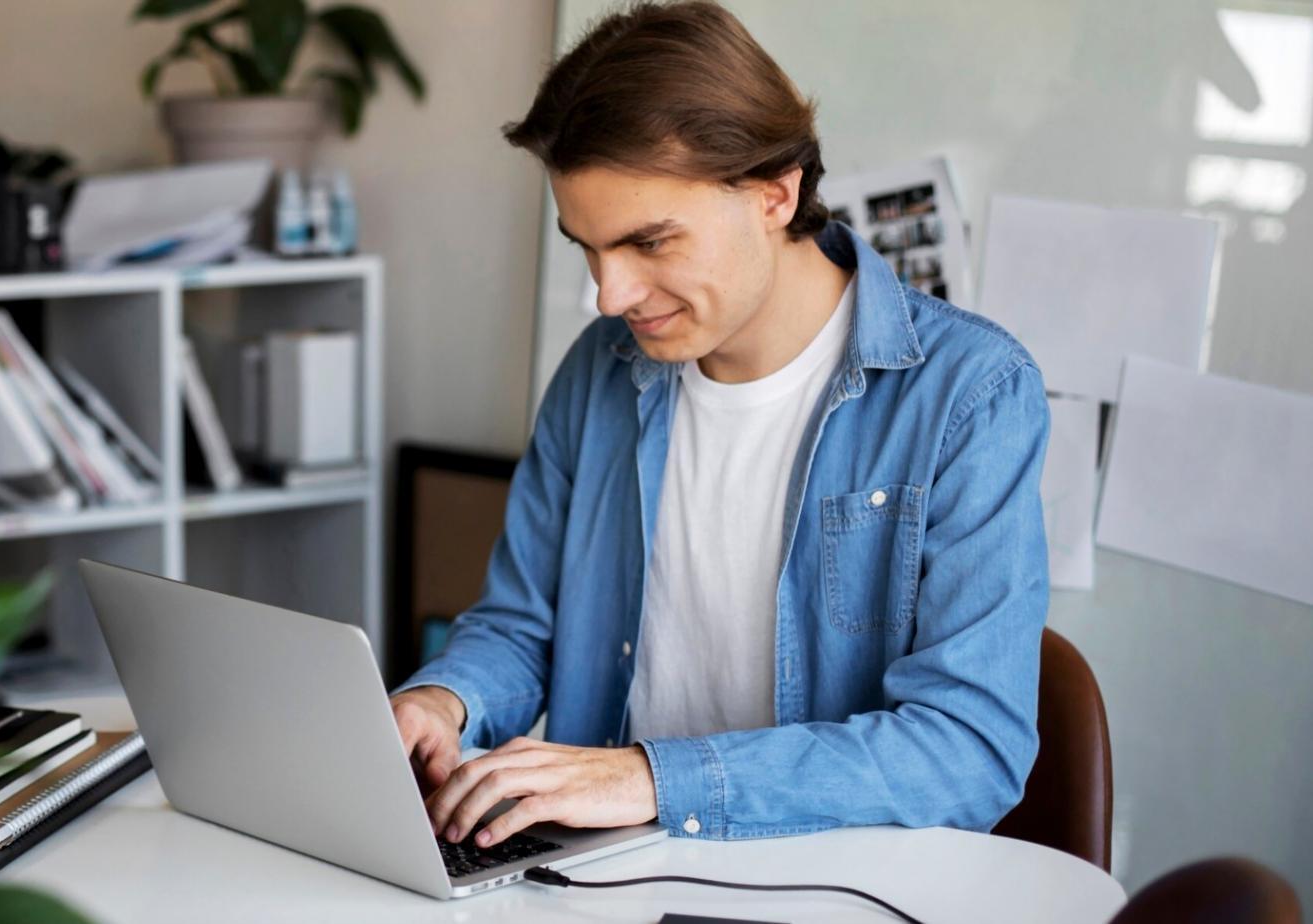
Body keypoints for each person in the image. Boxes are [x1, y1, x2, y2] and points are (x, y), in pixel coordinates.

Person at [391, 0, 1051, 851]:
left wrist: (650, 778)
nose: (610, 295)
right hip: (604, 878)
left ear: (776, 193)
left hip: (824, 886)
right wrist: (444, 701)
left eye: (649, 243)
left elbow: (967, 752)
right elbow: (520, 628)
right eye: (587, 248)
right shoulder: (600, 368)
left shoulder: (970, 395)